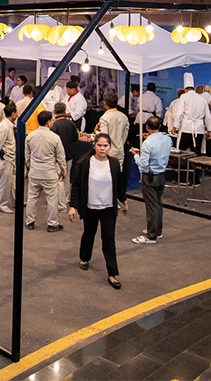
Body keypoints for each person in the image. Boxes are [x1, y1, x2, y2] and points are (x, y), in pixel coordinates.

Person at [68, 133, 129, 290]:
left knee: (109, 240)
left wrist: (124, 202)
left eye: (105, 145)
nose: (102, 148)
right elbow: (76, 186)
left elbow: (119, 185)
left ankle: (112, 273)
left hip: (108, 207)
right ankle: (84, 258)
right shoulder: (85, 163)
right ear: (94, 145)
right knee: (89, 234)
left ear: (110, 147)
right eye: (99, 145)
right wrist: (73, 206)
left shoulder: (114, 164)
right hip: (90, 207)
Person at [25, 111, 67, 232]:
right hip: (49, 173)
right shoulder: (55, 137)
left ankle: (30, 221)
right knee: (52, 199)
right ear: (49, 122)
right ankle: (52, 223)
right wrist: (63, 171)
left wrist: (30, 167)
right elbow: (60, 157)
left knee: (32, 197)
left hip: (34, 172)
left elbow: (27, 156)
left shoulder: (30, 136)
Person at [131, 116, 170, 244]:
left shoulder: (147, 143)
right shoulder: (167, 139)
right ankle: (157, 230)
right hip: (161, 175)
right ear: (159, 126)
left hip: (150, 176)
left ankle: (151, 235)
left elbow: (143, 165)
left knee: (152, 205)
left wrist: (136, 156)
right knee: (158, 203)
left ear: (147, 127)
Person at [171, 73, 211, 154]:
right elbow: (208, 116)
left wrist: (175, 126)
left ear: (185, 89)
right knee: (196, 153)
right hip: (199, 129)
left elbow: (179, 113)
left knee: (181, 152)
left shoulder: (184, 97)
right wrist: (209, 130)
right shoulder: (202, 99)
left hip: (186, 128)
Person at [50, 102, 79, 212]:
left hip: (57, 156)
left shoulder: (54, 125)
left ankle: (60, 202)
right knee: (66, 178)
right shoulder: (71, 124)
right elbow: (75, 138)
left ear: (54, 111)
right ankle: (66, 199)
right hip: (69, 154)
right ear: (65, 111)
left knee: (59, 179)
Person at [0, 103, 18, 214]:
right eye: (16, 112)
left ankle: (14, 201)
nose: (17, 114)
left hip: (11, 158)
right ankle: (2, 204)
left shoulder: (9, 125)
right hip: (6, 157)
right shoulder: (5, 127)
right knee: (4, 181)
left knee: (11, 182)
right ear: (12, 113)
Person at [95, 93, 129, 169]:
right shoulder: (124, 117)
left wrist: (96, 131)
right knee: (117, 174)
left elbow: (103, 138)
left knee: (107, 174)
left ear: (105, 103)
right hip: (120, 150)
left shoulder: (104, 118)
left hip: (108, 152)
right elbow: (125, 135)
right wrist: (119, 144)